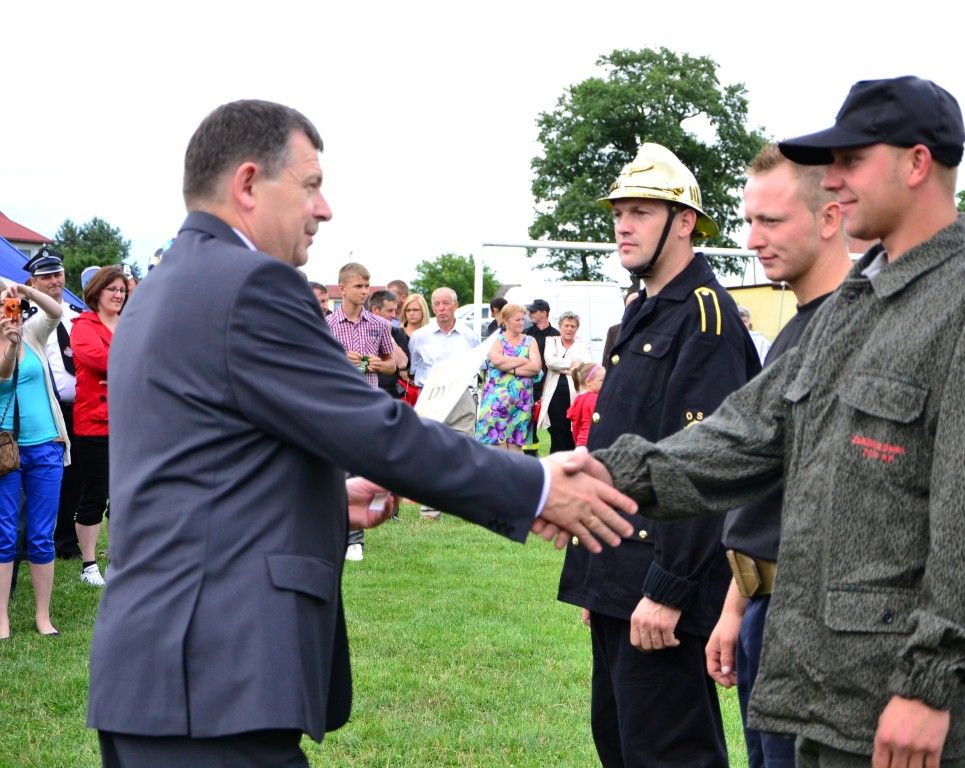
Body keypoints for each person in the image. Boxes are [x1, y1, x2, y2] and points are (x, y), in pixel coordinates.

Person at [86, 99, 636, 767]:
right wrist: (536, 485)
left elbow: (205, 465)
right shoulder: (250, 284)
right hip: (213, 680)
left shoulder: (163, 287)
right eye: (311, 185)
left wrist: (320, 495)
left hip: (159, 673)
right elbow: (377, 429)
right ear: (249, 183)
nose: (324, 209)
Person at [567, 77, 965, 768]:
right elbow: (743, 436)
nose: (834, 179)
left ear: (917, 163)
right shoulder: (860, 302)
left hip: (900, 705)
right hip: (828, 686)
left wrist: (930, 689)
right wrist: (591, 476)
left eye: (851, 160)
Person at [557, 142, 761, 768]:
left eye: (642, 211)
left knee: (669, 755)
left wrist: (668, 589)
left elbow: (708, 468)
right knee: (620, 745)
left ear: (684, 222)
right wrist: (598, 578)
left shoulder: (706, 318)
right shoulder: (645, 311)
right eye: (619, 212)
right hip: (621, 577)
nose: (623, 225)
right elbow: (625, 448)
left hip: (661, 589)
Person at [703, 143, 852, 768]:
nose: (753, 239)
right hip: (766, 605)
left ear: (829, 217)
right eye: (750, 220)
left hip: (818, 623)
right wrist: (737, 605)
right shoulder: (798, 326)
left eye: (771, 220)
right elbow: (771, 488)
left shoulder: (856, 330)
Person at [0, 280, 70, 639]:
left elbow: (56, 311)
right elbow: (3, 373)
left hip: (45, 446)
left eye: (8, 303)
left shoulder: (32, 333)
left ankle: (43, 616)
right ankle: (1, 618)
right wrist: (10, 345)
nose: (6, 309)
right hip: (6, 451)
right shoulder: (12, 340)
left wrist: (26, 292)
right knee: (5, 534)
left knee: (42, 535)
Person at [326, 262, 403, 561]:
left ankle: (356, 532)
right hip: (337, 405)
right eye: (358, 286)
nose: (364, 291)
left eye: (366, 286)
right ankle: (349, 537)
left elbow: (393, 364)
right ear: (342, 288)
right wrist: (341, 360)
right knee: (341, 469)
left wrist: (378, 364)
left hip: (369, 402)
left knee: (364, 467)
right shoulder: (327, 325)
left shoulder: (379, 325)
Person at [70, 266, 130, 587]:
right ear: (97, 292)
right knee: (95, 494)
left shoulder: (130, 324)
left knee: (124, 495)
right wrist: (129, 363)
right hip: (94, 424)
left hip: (128, 422)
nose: (118, 295)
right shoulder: (83, 325)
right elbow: (99, 360)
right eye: (112, 289)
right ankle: (89, 565)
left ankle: (119, 557)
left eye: (122, 290)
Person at [22, 248, 83, 562]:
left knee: (75, 476)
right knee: (37, 480)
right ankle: (28, 542)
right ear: (32, 282)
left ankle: (66, 540)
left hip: (79, 407)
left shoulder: (76, 314)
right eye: (45, 276)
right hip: (44, 410)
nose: (54, 281)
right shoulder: (22, 315)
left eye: (57, 274)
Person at [475, 303, 541, 450]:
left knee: (516, 446)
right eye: (517, 319)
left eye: (522, 319)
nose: (521, 323)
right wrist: (524, 360)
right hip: (496, 401)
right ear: (505, 321)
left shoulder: (530, 341)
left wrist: (512, 369)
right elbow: (498, 361)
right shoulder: (496, 340)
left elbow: (536, 367)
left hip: (521, 402)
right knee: (496, 445)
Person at [538, 310, 588, 453]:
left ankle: (572, 463)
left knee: (573, 434)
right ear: (560, 327)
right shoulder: (551, 341)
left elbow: (585, 367)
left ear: (577, 329)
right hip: (554, 397)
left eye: (573, 326)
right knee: (557, 434)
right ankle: (556, 464)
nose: (569, 329)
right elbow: (550, 362)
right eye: (566, 325)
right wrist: (572, 365)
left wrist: (561, 366)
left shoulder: (583, 345)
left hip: (576, 396)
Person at [523, 299, 559, 455]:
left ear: (544, 313)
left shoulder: (556, 335)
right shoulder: (526, 334)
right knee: (528, 426)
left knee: (555, 426)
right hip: (529, 386)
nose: (530, 314)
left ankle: (556, 458)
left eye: (533, 311)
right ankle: (531, 459)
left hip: (550, 387)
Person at [368, 289, 409, 400]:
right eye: (390, 311)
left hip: (391, 395)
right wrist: (380, 365)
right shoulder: (360, 331)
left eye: (395, 310)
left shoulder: (397, 333)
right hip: (366, 392)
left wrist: (388, 335)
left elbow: (402, 364)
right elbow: (361, 365)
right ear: (375, 310)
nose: (394, 315)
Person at [566, 361, 604, 448]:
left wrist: (578, 443)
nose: (605, 383)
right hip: (592, 443)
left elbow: (575, 426)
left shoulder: (578, 399)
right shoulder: (593, 399)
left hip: (580, 443)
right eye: (602, 380)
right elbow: (597, 424)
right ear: (588, 382)